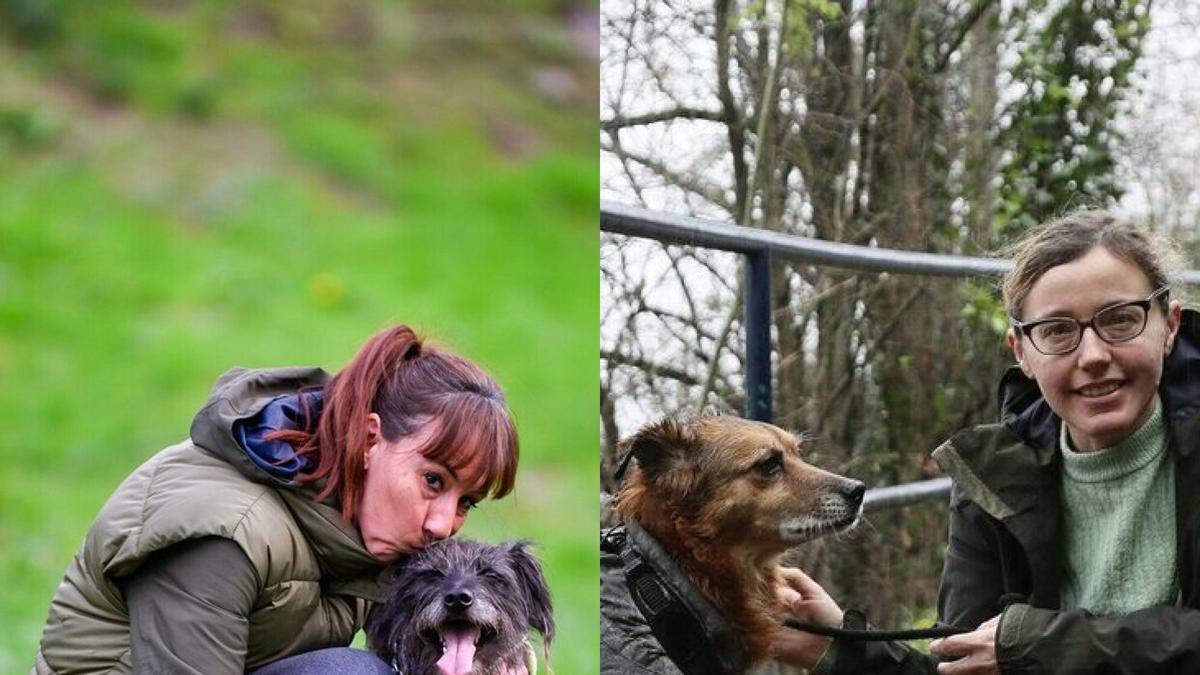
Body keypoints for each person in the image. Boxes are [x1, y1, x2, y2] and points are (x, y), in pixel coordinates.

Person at [772, 209, 1200, 674]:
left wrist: (1044, 646)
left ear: (1170, 326)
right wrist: (839, 646)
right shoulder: (993, 478)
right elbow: (966, 663)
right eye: (1057, 331)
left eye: (1121, 320)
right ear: (1023, 354)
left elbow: (1019, 650)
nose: (1094, 355)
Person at [32, 324, 522, 675]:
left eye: (466, 503)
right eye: (433, 481)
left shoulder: (369, 533)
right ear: (371, 440)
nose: (442, 524)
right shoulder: (224, 534)